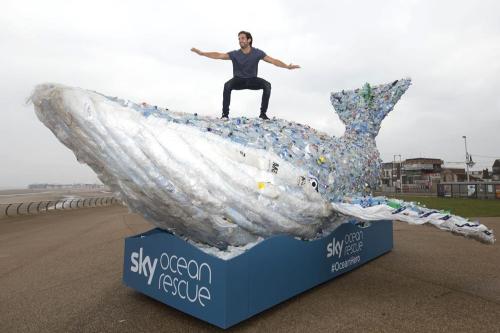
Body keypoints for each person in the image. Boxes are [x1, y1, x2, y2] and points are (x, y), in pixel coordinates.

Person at [191, 31, 300, 120]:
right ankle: (225, 115)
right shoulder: (235, 54)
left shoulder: (257, 53)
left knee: (267, 85)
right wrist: (202, 53)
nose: (240, 40)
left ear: (249, 40)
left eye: (242, 38)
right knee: (227, 85)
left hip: (252, 80)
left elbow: (273, 61)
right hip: (238, 80)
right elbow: (219, 55)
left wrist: (286, 66)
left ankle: (263, 114)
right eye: (239, 39)